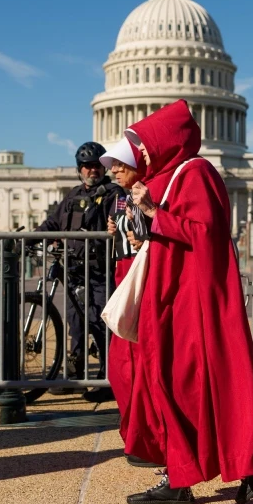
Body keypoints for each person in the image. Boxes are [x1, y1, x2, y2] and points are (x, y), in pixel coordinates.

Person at [119, 100, 253, 504]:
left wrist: (153, 213)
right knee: (179, 384)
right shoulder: (173, 177)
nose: (140, 154)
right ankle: (194, 469)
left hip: (190, 298)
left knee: (188, 384)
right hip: (172, 294)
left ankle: (202, 469)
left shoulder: (196, 172)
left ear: (165, 142)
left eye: (144, 145)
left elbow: (205, 233)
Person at [35, 141, 124, 395]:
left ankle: (108, 378)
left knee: (101, 322)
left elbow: (120, 224)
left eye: (97, 165)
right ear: (79, 169)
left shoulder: (114, 194)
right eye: (87, 166)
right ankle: (75, 373)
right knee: (76, 322)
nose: (92, 170)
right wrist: (32, 237)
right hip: (74, 269)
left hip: (101, 270)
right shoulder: (72, 196)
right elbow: (53, 223)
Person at [95, 136, 154, 464]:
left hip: (140, 279)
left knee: (135, 366)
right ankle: (137, 435)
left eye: (120, 164)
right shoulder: (118, 198)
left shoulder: (147, 194)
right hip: (124, 276)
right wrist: (115, 232)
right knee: (123, 368)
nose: (113, 170)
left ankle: (145, 439)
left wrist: (142, 231)